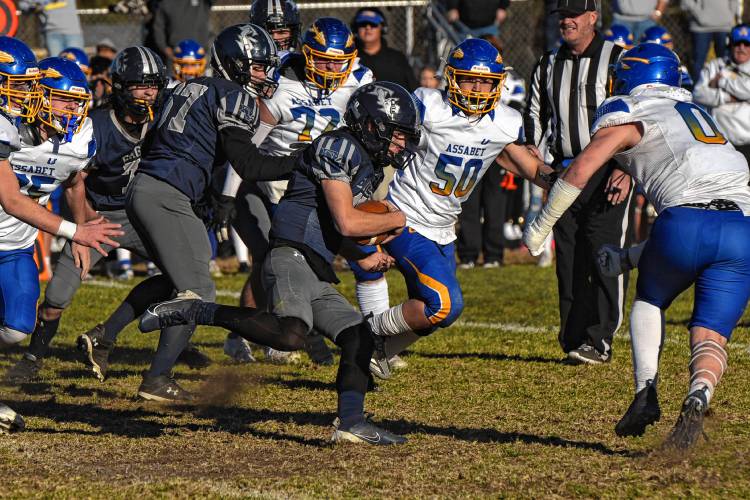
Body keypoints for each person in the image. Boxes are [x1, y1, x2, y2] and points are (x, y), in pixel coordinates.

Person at [139, 81, 420, 445]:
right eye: (396, 135)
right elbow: (347, 221)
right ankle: (194, 310)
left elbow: (332, 229)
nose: (401, 145)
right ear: (370, 125)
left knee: (359, 337)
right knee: (289, 335)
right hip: (290, 257)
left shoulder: (365, 163)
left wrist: (362, 258)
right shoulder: (339, 146)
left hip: (316, 266)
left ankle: (351, 422)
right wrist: (395, 220)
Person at [524, 42, 750, 450]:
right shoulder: (699, 115)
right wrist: (629, 257)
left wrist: (540, 227)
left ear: (631, 77)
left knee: (649, 301)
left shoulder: (636, 112)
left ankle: (646, 391)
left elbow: (581, 168)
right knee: (710, 335)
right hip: (741, 230)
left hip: (683, 221)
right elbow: (705, 220)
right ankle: (700, 392)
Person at [342, 39, 551, 379]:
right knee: (444, 305)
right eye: (470, 79)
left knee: (430, 313)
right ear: (452, 78)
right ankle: (364, 336)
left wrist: (563, 182)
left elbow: (521, 162)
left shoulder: (505, 122)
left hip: (444, 228)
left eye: (486, 81)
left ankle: (374, 355)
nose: (478, 88)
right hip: (406, 216)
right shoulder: (429, 106)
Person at [3, 46, 209, 384]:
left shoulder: (166, 121)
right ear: (121, 87)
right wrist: (82, 229)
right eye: (140, 85)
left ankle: (111, 337)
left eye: (155, 85)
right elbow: (75, 182)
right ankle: (32, 357)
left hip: (145, 214)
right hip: (98, 215)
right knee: (55, 299)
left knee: (183, 278)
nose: (149, 93)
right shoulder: (95, 127)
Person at [124, 23, 298, 401]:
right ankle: (157, 377)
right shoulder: (232, 95)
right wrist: (301, 161)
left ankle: (106, 338)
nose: (264, 75)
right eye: (256, 67)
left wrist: (204, 194)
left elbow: (163, 140)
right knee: (197, 289)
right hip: (165, 192)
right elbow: (249, 164)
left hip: (156, 186)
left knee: (187, 275)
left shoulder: (192, 86)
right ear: (234, 65)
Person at [219, 16, 372, 365]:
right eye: (323, 59)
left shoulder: (359, 83)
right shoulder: (281, 83)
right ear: (307, 54)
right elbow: (247, 150)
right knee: (268, 258)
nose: (332, 68)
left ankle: (300, 330)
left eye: (338, 60)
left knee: (305, 262)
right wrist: (228, 195)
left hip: (313, 187)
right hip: (265, 179)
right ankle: (260, 334)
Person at [0, 39, 123, 432]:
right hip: (14, 223)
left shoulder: (81, 136)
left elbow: (72, 180)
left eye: (78, 103)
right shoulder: (7, 126)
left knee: (17, 328)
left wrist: (82, 228)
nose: (74, 111)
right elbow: (12, 200)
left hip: (14, 246)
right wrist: (76, 231)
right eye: (64, 101)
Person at [524, 0, 633, 365]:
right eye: (561, 16)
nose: (566, 22)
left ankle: (600, 338)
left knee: (604, 253)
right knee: (568, 258)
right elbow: (535, 115)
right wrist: (537, 164)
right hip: (563, 172)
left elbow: (637, 115)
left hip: (607, 172)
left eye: (573, 15)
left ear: (592, 17)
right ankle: (574, 337)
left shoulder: (618, 59)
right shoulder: (547, 63)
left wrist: (626, 168)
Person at [693, 23, 750, 166]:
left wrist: (722, 82)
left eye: (746, 43)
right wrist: (726, 97)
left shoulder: (720, 74)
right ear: (730, 44)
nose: (741, 48)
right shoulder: (715, 66)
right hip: (721, 142)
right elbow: (698, 93)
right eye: (737, 43)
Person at [351, 7, 417, 92]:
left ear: (383, 28)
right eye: (363, 24)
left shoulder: (397, 58)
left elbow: (413, 90)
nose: (368, 28)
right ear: (356, 29)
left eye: (373, 24)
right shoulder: (351, 59)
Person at [682, 0, 739, 81]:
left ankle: (727, 90)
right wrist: (699, 13)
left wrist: (729, 15)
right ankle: (696, 91)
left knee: (727, 62)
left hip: (724, 26)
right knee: (698, 64)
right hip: (700, 28)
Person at [151, 0, 212, 65]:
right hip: (175, 56)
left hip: (199, 56)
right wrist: (165, 49)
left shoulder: (202, 2)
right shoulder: (165, 3)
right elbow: (158, 28)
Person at [19, 1, 84, 58]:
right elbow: (23, 5)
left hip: (73, 32)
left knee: (78, 65)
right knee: (55, 66)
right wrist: (34, 6)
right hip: (51, 33)